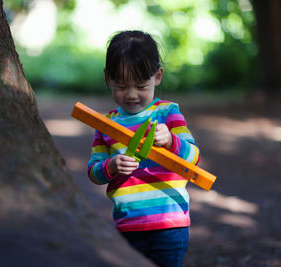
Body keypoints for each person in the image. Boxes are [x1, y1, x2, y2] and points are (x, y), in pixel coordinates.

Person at [87, 30, 201, 267]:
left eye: (140, 85)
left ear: (157, 76)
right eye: (121, 86)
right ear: (107, 78)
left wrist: (171, 141)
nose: (131, 95)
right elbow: (93, 171)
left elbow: (194, 158)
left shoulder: (168, 112)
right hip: (127, 222)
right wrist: (110, 166)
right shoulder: (106, 124)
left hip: (170, 221)